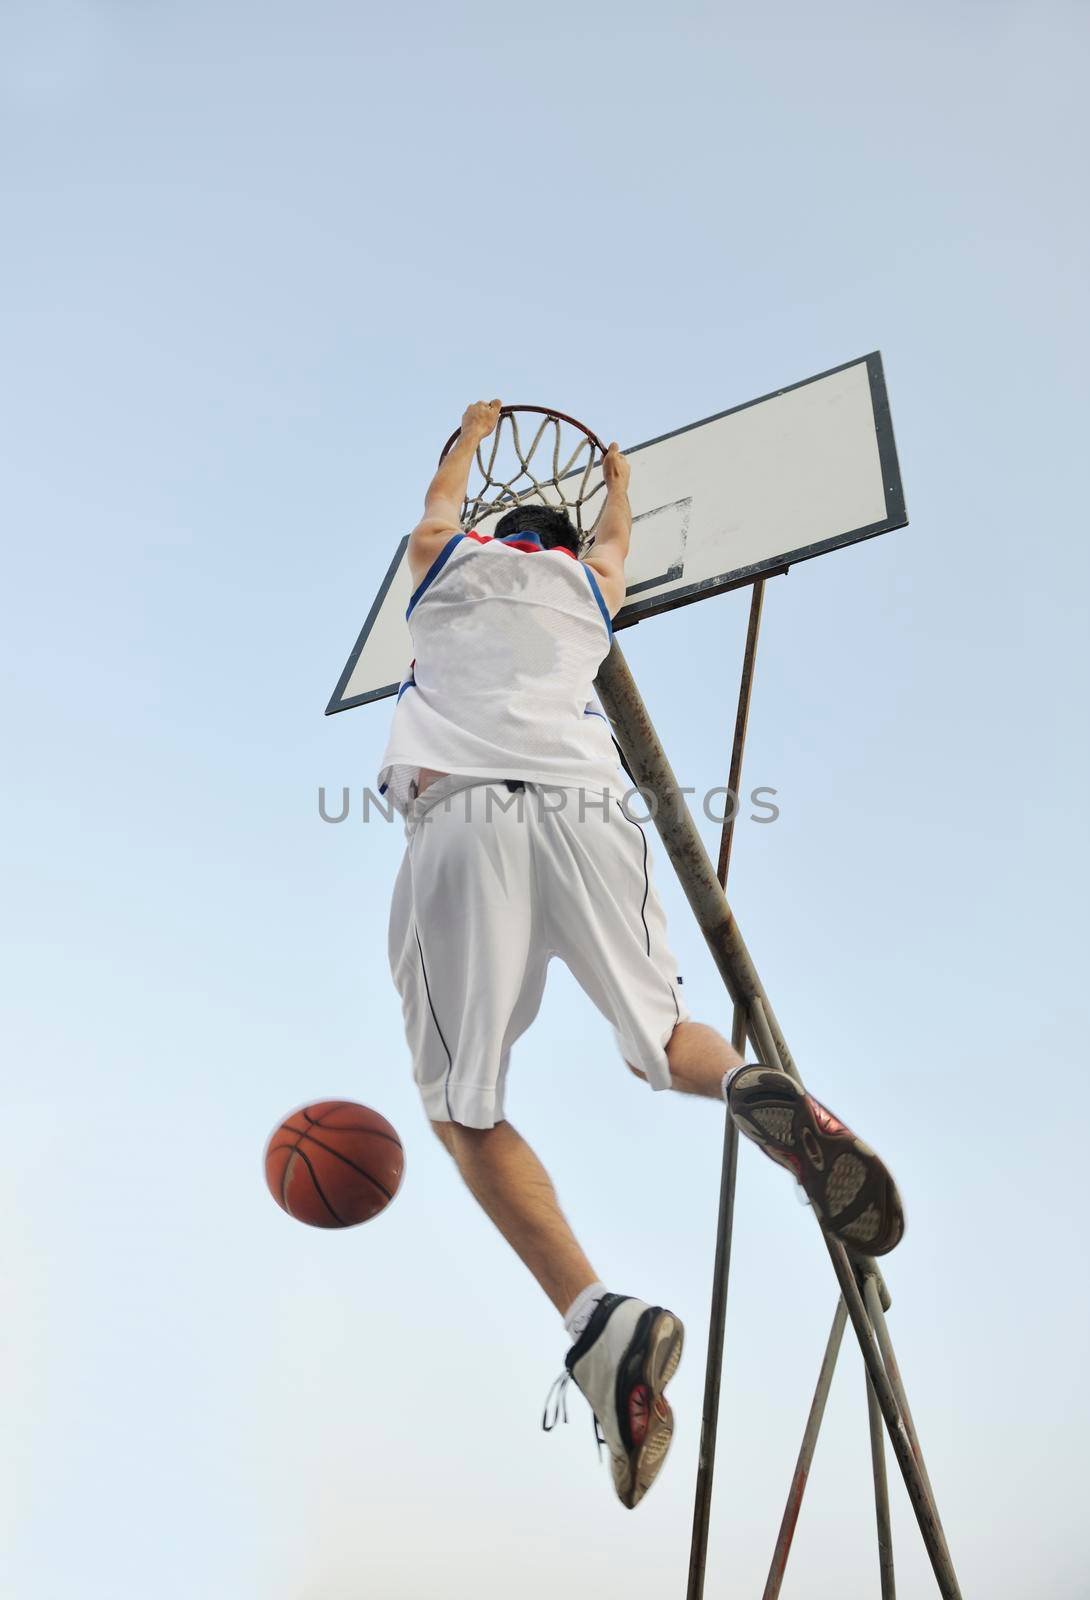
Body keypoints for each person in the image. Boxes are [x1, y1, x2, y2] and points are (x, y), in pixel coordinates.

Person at [380, 399, 904, 1510]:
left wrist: (467, 439)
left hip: (464, 815)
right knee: (665, 1038)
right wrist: (615, 479)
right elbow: (614, 542)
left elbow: (436, 504)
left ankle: (595, 1320)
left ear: (485, 532)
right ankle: (756, 1086)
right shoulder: (586, 592)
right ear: (564, 553)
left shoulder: (438, 567)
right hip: (586, 803)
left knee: (460, 1109)